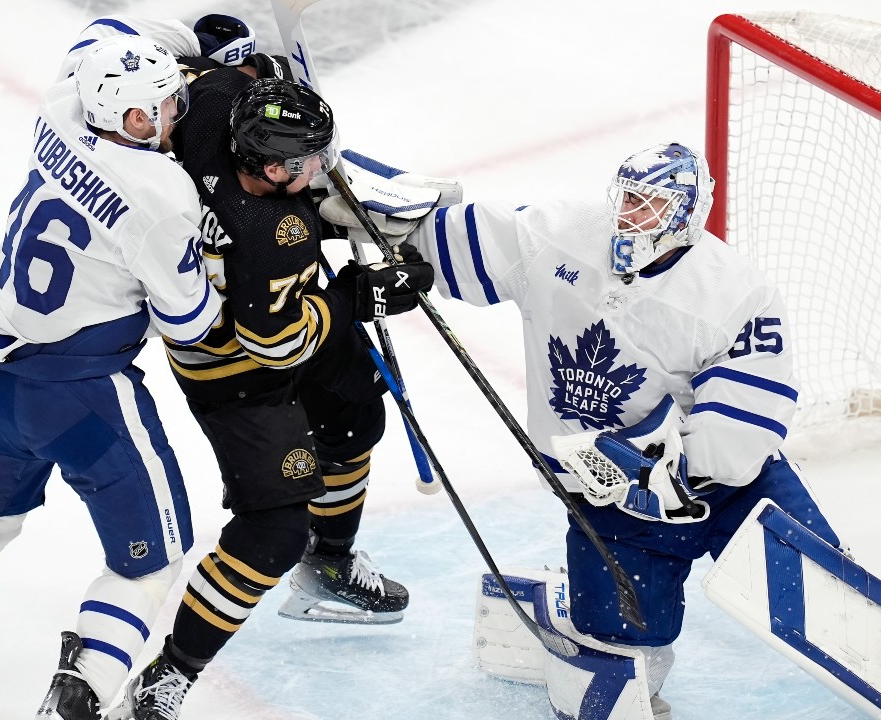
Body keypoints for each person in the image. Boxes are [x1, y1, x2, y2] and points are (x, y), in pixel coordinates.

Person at [321, 142, 841, 719]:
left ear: (687, 213)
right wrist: (346, 186)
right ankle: (593, 637)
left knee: (820, 590)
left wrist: (685, 468)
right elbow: (454, 235)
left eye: (652, 205)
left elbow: (744, 414)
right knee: (619, 657)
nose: (632, 216)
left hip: (723, 488)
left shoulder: (734, 292)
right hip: (605, 490)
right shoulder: (562, 235)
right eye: (630, 199)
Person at [0, 20, 227, 720]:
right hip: (82, 400)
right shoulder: (163, 195)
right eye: (165, 104)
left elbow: (102, 33)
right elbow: (192, 326)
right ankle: (75, 700)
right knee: (151, 562)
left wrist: (169, 45)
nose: (176, 114)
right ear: (132, 118)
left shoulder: (63, 108)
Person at [104, 58, 435, 720]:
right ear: (272, 170)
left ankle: (331, 565)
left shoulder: (211, 112)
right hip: (233, 372)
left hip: (265, 308)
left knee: (354, 418)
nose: (319, 170)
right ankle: (171, 674)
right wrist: (357, 294)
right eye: (308, 165)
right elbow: (280, 345)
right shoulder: (274, 233)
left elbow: (221, 64)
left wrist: (251, 60)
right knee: (274, 531)